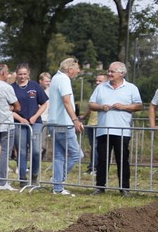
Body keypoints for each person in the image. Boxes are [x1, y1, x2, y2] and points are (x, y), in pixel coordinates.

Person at [89, 61, 142, 195]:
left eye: (112, 71)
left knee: (122, 160)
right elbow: (91, 104)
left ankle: (124, 188)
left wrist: (124, 107)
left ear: (122, 73)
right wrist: (101, 107)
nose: (109, 73)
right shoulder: (101, 87)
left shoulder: (131, 88)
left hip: (122, 131)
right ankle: (100, 187)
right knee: (102, 160)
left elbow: (139, 105)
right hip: (103, 130)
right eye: (109, 71)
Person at [45, 58, 84, 196]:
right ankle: (58, 180)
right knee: (77, 154)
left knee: (59, 156)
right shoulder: (64, 80)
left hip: (53, 122)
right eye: (77, 69)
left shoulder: (55, 78)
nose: (78, 71)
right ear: (70, 69)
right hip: (63, 123)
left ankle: (57, 187)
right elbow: (66, 101)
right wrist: (75, 120)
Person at [10, 63, 48, 188]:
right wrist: (20, 119)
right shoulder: (12, 88)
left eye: (24, 74)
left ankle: (34, 175)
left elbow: (44, 104)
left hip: (35, 123)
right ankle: (22, 178)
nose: (22, 77)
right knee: (21, 151)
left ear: (28, 74)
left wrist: (35, 116)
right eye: (20, 74)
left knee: (36, 150)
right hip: (19, 123)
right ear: (16, 74)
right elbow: (8, 108)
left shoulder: (34, 86)